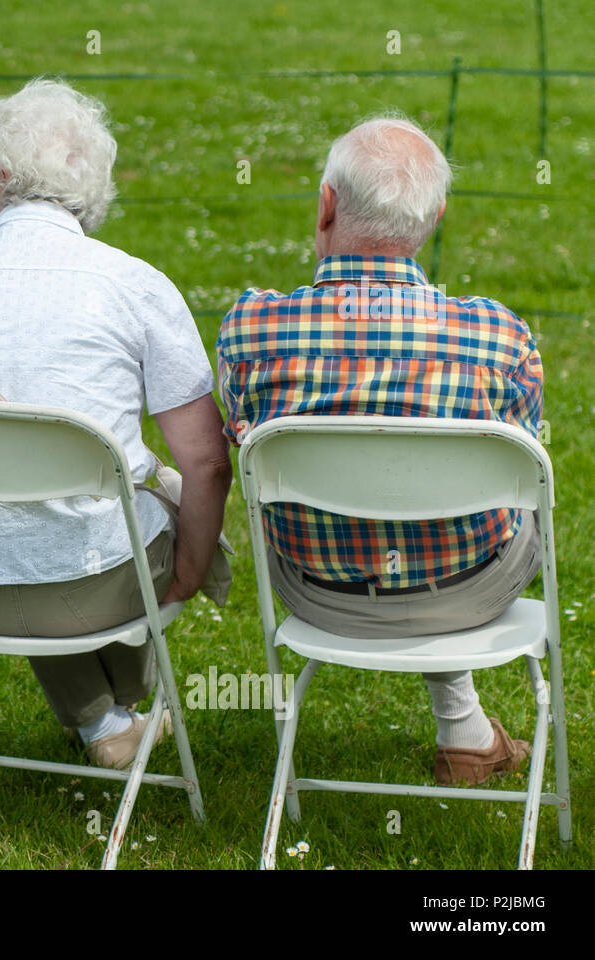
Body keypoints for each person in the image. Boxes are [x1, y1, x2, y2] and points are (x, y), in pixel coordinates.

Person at [0, 79, 232, 769]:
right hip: (89, 588)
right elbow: (207, 464)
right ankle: (121, 711)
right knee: (131, 511)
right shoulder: (134, 284)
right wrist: (192, 571)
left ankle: (105, 720)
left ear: (0, 179)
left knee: (31, 510)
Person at [217, 113, 542, 785]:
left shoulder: (250, 328)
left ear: (326, 204)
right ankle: (466, 732)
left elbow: (238, 440)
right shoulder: (500, 336)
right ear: (436, 217)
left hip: (316, 590)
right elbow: (527, 474)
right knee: (483, 502)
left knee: (394, 505)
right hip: (471, 588)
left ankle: (467, 732)